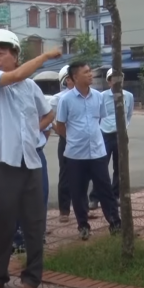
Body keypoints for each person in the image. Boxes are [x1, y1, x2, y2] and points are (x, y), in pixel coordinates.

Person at [0, 29, 59, 288]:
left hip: (31, 162)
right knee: (2, 223)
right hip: (2, 163)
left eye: (1, 54)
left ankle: (31, 278)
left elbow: (48, 113)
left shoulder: (31, 87)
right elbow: (16, 76)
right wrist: (45, 56)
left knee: (34, 223)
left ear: (15, 56)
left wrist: (36, 133)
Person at [56, 61, 122, 240]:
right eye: (86, 72)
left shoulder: (98, 97)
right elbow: (60, 125)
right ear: (75, 77)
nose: (90, 74)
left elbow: (99, 119)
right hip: (75, 155)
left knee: (105, 189)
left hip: (98, 152)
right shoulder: (66, 100)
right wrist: (71, 139)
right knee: (78, 192)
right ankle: (83, 225)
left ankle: (115, 223)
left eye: (90, 71)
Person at [12, 84, 52, 254]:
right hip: (13, 153)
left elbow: (49, 118)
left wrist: (33, 133)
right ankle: (18, 238)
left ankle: (37, 234)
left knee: (40, 194)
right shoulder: (0, 91)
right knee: (15, 198)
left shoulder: (31, 88)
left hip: (35, 152)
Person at [88, 68, 134, 204]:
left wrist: (125, 127)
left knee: (120, 168)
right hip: (105, 134)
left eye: (120, 78)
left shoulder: (129, 96)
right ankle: (95, 197)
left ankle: (115, 195)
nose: (117, 81)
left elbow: (129, 114)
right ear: (108, 82)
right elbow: (96, 115)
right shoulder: (101, 96)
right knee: (101, 167)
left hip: (121, 135)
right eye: (113, 78)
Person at [52, 65, 73, 223]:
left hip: (83, 142)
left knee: (83, 177)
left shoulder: (92, 95)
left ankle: (83, 209)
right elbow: (50, 120)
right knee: (66, 175)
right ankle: (64, 210)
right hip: (66, 141)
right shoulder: (58, 98)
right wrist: (62, 132)